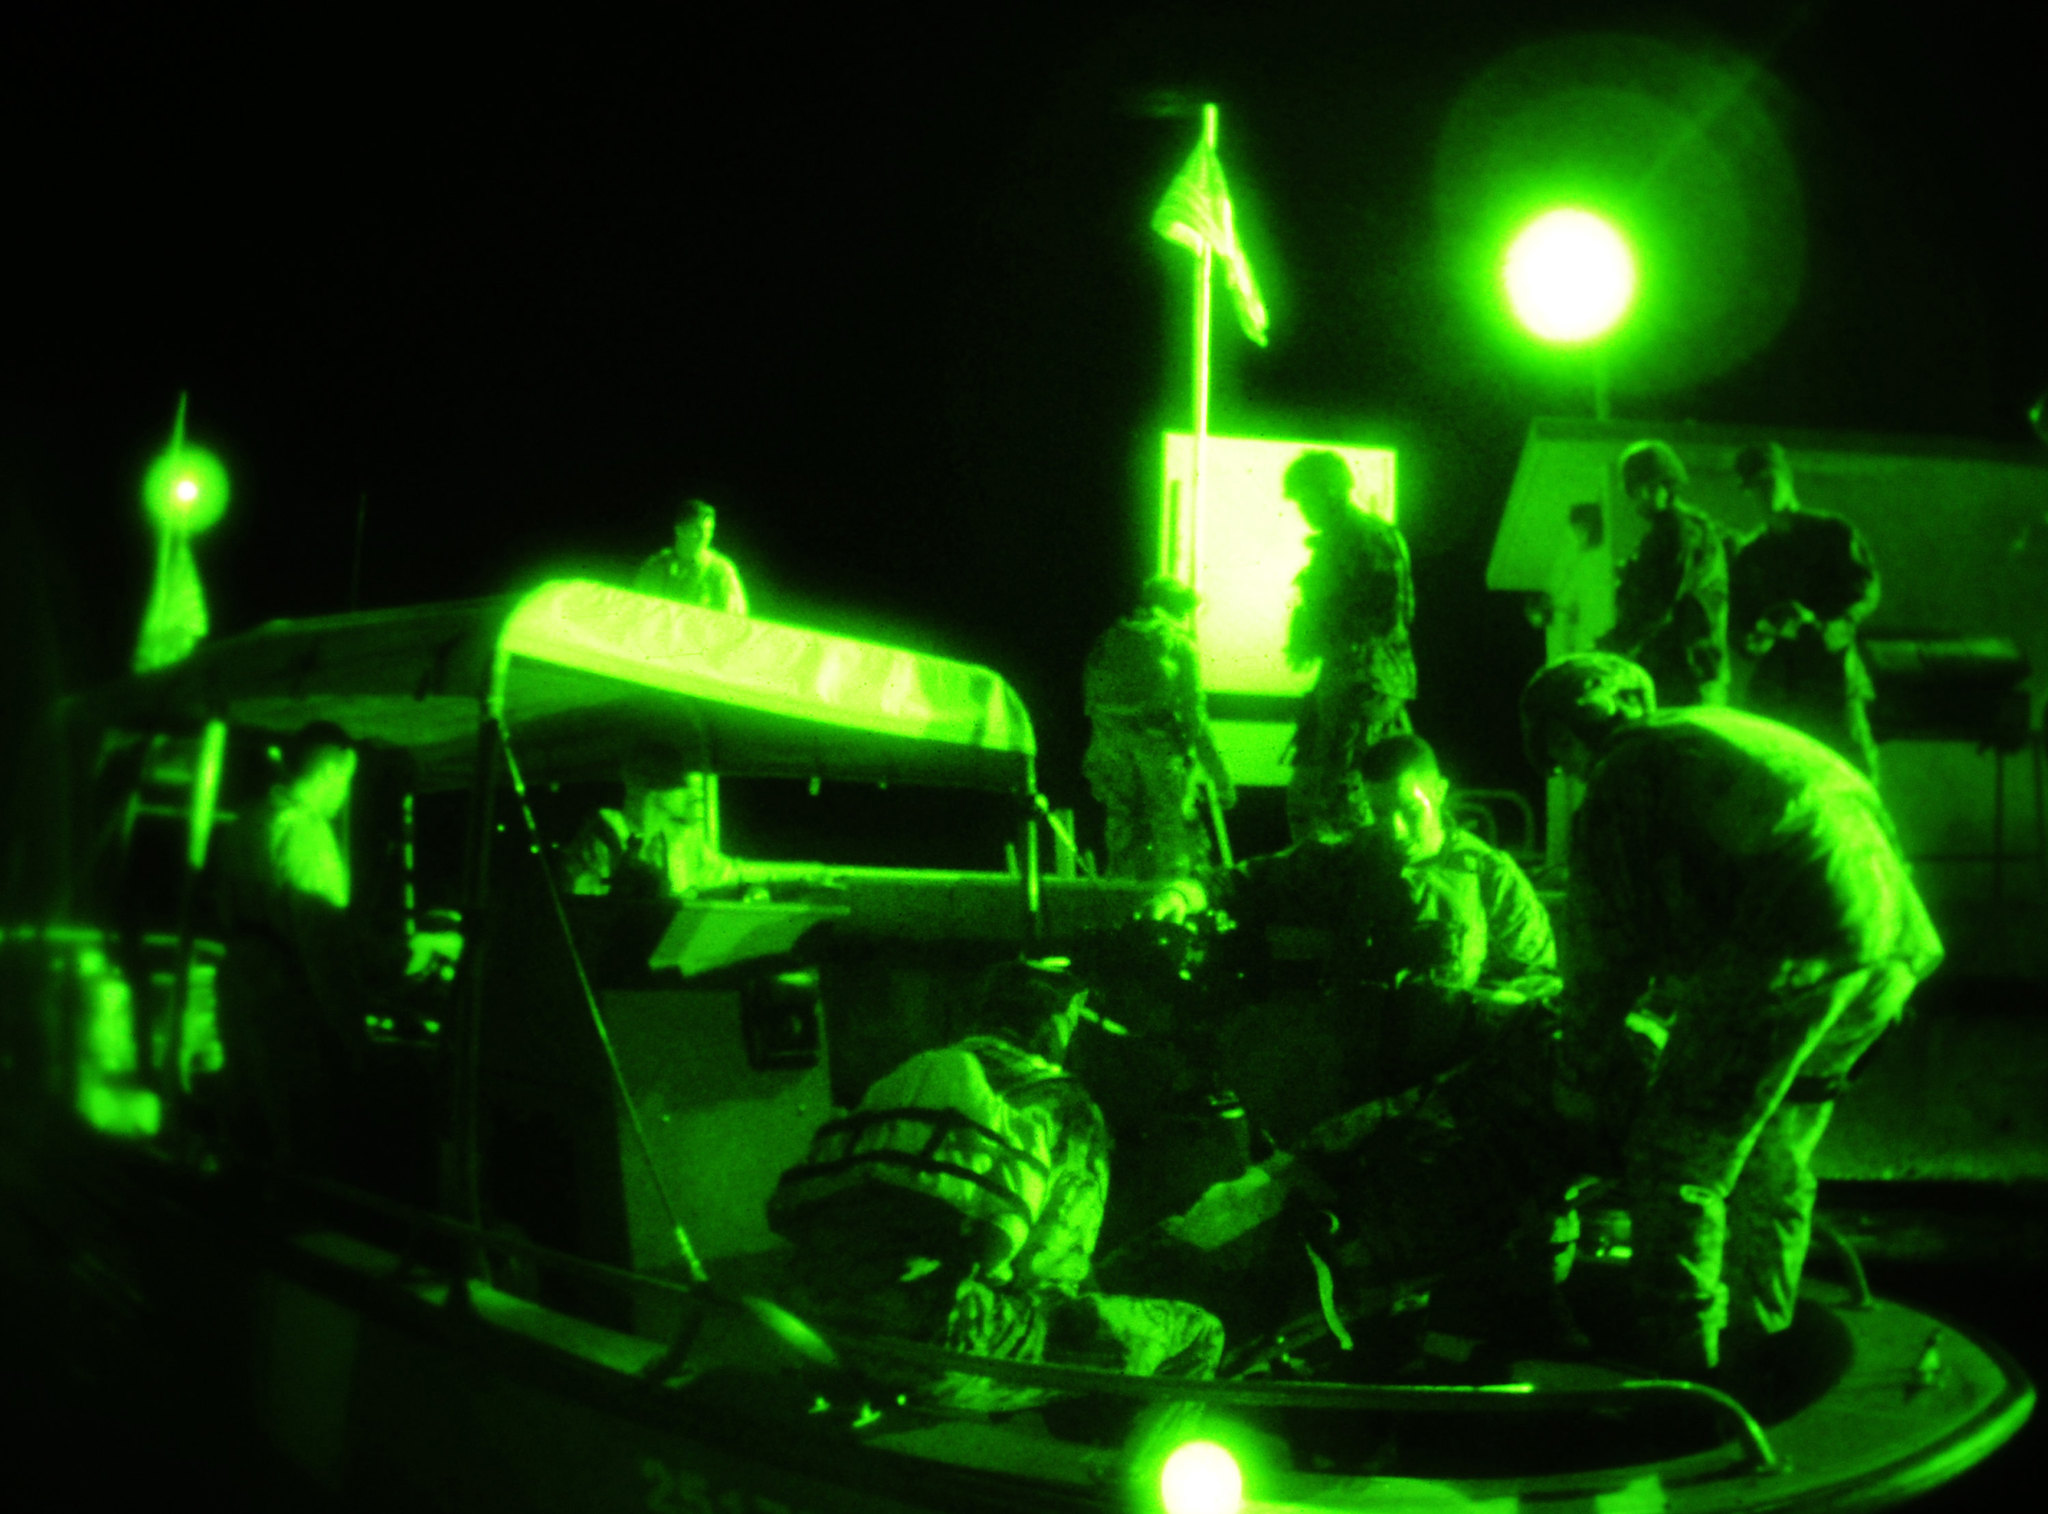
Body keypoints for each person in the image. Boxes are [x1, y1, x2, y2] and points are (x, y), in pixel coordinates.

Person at [1519, 652, 1943, 1378]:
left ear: (1564, 736)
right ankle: (1763, 1349)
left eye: (1561, 760)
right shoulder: (1723, 729)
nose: (1570, 775)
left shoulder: (1624, 772)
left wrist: (1577, 1074)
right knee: (1772, 1154)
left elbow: (1604, 955)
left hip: (1792, 944)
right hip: (1893, 944)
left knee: (1676, 1156)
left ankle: (1681, 1378)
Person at [767, 958, 1225, 1411]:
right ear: (1054, 1025)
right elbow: (1047, 1266)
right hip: (940, 1342)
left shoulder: (909, 1076)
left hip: (814, 1322)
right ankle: (1116, 1460)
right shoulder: (1067, 1105)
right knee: (1196, 1333)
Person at [212, 721, 462, 1171]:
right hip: (284, 1003)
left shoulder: (246, 820)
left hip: (239, 989)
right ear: (335, 770)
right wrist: (353, 1037)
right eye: (347, 781)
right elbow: (322, 946)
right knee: (300, 1139)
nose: (346, 795)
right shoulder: (305, 835)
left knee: (249, 1128)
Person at [1281, 450, 1417, 843]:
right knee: (1312, 795)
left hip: (1363, 680)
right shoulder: (1343, 539)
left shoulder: (1367, 536)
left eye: (1306, 499)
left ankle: (1357, 874)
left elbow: (1386, 614)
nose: (1303, 510)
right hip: (1347, 677)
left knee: (1342, 798)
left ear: (1331, 491)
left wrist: (1317, 629)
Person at [1730, 442, 1883, 782]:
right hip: (1779, 689)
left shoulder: (1833, 534)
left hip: (1831, 680)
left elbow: (1864, 592)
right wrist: (1759, 634)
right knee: (1773, 779)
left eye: (1769, 481)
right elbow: (1741, 627)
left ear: (1787, 478)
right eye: (1754, 486)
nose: (1763, 492)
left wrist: (1823, 624)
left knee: (1854, 777)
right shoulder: (1751, 555)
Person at [1082, 576, 1235, 880]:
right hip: (1158, 750)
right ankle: (1172, 897)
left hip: (1110, 747)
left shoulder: (1112, 637)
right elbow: (1195, 717)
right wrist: (1220, 776)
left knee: (1123, 829)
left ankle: (1121, 892)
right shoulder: (1178, 644)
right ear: (1179, 608)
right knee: (1172, 832)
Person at [1597, 441, 1731, 709]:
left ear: (1662, 486)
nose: (1638, 500)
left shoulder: (1674, 531)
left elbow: (1657, 604)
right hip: (1691, 671)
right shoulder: (1687, 528)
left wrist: (1610, 649)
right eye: (1634, 491)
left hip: (1681, 674)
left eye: (1641, 489)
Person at [560, 737, 734, 897]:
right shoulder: (602, 840)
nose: (692, 795)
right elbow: (596, 907)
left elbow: (725, 870)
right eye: (681, 784)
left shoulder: (671, 838)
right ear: (652, 788)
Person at [634, 498, 749, 614]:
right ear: (679, 530)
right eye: (697, 530)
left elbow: (735, 617)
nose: (704, 537)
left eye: (709, 530)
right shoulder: (655, 567)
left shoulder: (721, 572)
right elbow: (637, 608)